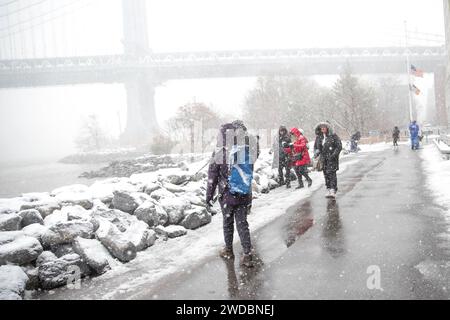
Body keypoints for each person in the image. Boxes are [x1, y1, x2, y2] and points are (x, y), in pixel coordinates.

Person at [206, 120, 260, 268]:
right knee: (242, 224)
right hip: (243, 193)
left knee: (228, 223)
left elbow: (212, 176)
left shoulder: (220, 151)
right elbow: (254, 160)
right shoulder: (247, 149)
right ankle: (247, 254)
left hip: (227, 195)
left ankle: (228, 250)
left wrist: (209, 196)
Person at [314, 122, 342, 199]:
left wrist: (334, 155)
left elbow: (339, 146)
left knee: (332, 173)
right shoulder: (319, 137)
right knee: (325, 173)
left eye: (324, 127)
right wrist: (316, 152)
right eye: (321, 127)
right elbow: (316, 147)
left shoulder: (333, 136)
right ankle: (328, 188)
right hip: (323, 158)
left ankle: (333, 189)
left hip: (332, 158)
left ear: (327, 128)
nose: (322, 128)